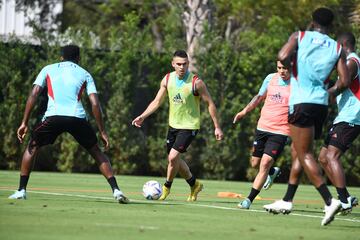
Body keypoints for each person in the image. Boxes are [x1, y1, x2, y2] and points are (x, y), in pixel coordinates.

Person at [8, 45, 129, 204]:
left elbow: (34, 94)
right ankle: (116, 190)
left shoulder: (48, 69)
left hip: (53, 116)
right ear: (79, 58)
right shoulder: (85, 73)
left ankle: (21, 190)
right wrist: (102, 131)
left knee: (32, 147)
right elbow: (95, 103)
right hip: (77, 117)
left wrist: (24, 122)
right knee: (96, 151)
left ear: (61, 57)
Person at [264, 32, 359, 215]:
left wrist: (326, 91)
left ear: (343, 44)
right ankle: (339, 197)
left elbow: (343, 82)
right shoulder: (350, 60)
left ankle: (340, 201)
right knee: (321, 157)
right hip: (343, 114)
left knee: (327, 156)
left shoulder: (352, 61)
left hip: (351, 115)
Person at [276, 7, 350, 226]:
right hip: (320, 105)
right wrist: (329, 92)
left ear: (312, 21)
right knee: (298, 151)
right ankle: (287, 200)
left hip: (301, 102)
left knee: (304, 152)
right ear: (331, 25)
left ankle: (329, 201)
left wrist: (292, 63)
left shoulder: (300, 36)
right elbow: (344, 81)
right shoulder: (337, 47)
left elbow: (282, 55)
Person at [132, 50, 223, 201]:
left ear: (188, 64)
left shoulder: (196, 82)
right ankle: (194, 185)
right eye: (179, 64)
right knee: (175, 160)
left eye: (185, 64)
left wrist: (217, 126)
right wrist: (143, 116)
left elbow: (210, 104)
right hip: (173, 126)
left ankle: (166, 187)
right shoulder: (167, 79)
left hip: (189, 126)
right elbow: (157, 101)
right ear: (173, 64)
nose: (182, 67)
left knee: (173, 157)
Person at [233, 60, 291, 209]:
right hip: (263, 127)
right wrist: (244, 112)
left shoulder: (297, 84)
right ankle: (273, 172)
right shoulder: (270, 78)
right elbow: (258, 98)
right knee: (255, 163)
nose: (282, 71)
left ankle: (248, 200)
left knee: (264, 163)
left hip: (280, 131)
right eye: (279, 67)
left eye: (285, 68)